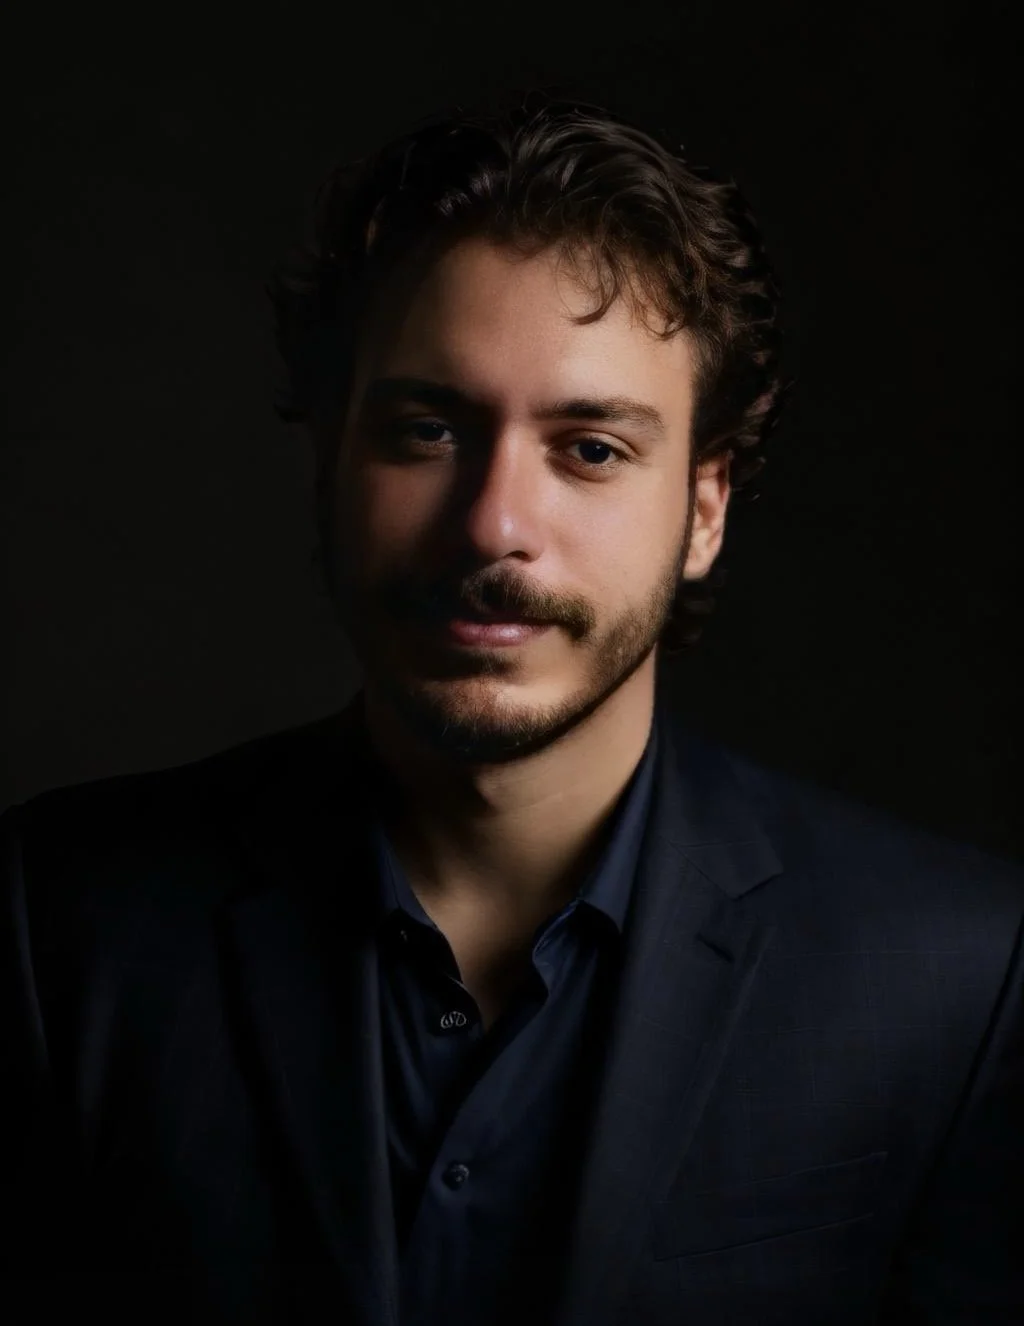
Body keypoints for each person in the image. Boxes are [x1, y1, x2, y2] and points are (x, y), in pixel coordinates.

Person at [1, 89, 1021, 1326]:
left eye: (590, 448)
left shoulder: (958, 978)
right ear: (328, 465)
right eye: (428, 430)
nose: (493, 526)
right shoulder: (59, 927)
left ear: (704, 509)